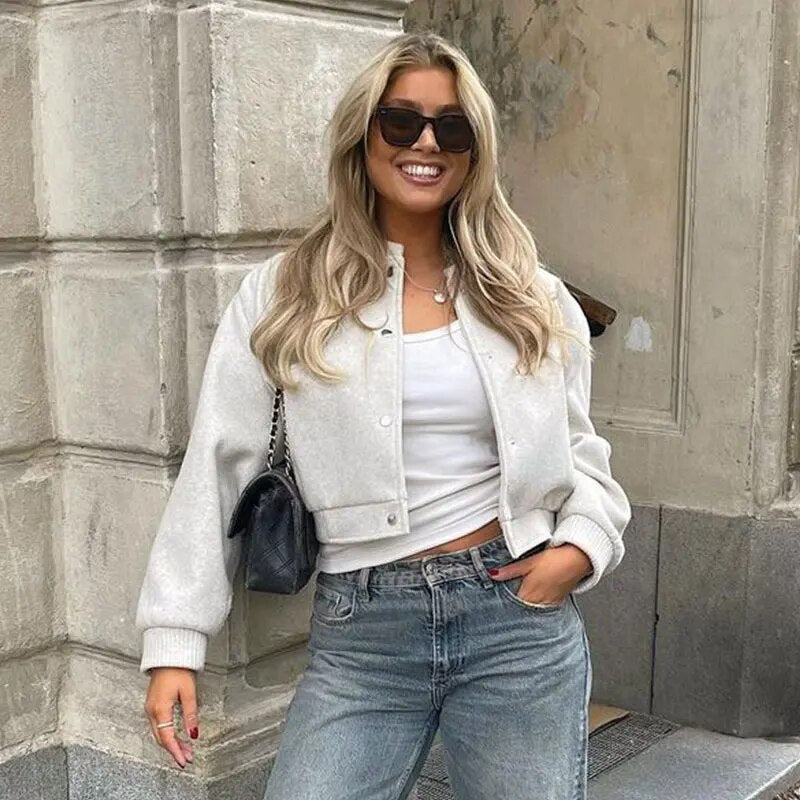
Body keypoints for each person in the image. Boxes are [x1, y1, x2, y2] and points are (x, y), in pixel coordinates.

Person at [136, 31, 631, 800]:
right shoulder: (286, 292)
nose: (426, 143)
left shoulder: (531, 294)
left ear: (474, 151)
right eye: (401, 121)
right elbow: (219, 459)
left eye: (451, 127)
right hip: (363, 633)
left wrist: (582, 546)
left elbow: (580, 450)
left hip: (515, 620)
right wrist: (175, 638)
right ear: (362, 136)